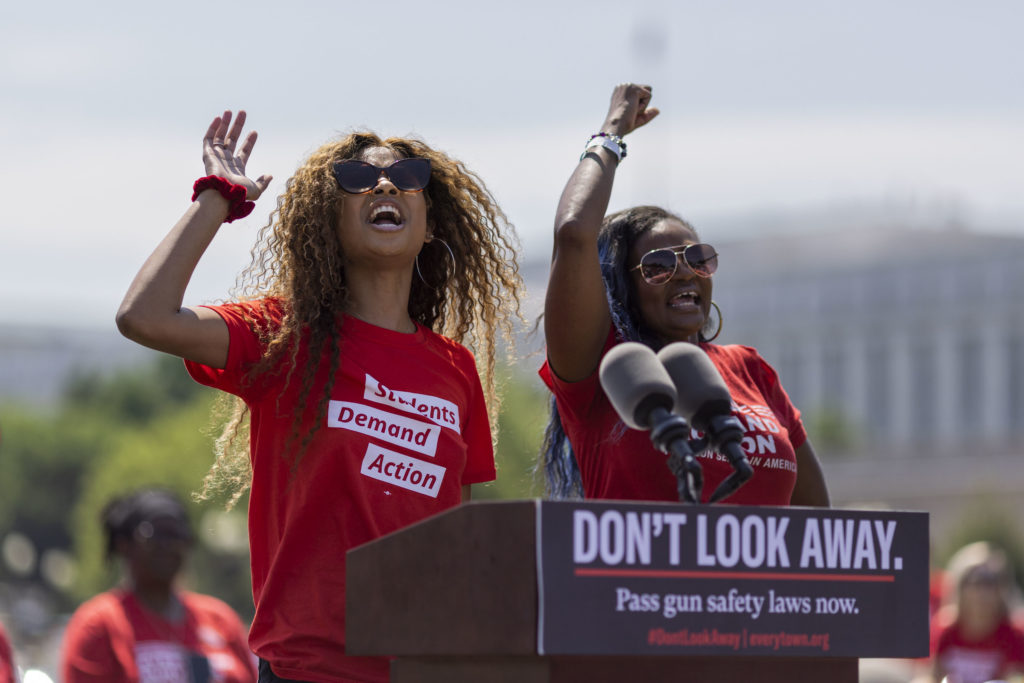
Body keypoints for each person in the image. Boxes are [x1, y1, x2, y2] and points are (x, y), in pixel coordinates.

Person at [116, 111, 521, 682]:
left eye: (408, 177)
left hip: (423, 668)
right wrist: (218, 198)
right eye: (357, 180)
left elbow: (455, 537)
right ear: (327, 223)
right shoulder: (283, 335)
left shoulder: (455, 369)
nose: (385, 185)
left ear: (430, 224)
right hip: (310, 669)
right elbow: (143, 316)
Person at [539, 84, 829, 507]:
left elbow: (820, 523)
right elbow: (574, 234)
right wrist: (611, 133)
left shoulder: (749, 369)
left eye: (698, 258)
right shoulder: (605, 369)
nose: (684, 274)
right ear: (621, 287)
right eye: (658, 266)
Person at [60, 488, 256, 683]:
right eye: (155, 534)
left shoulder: (221, 620)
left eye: (176, 534)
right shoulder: (100, 625)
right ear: (124, 544)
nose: (168, 544)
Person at [923, 541, 1024, 683]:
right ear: (959, 587)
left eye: (991, 582)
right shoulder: (945, 629)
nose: (982, 593)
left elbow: (1017, 677)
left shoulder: (1015, 636)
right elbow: (931, 676)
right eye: (976, 581)